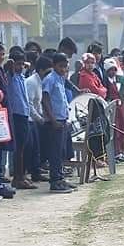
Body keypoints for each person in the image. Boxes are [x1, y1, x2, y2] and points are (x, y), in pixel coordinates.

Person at [42, 52, 75, 193]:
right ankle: (55, 181)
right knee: (55, 152)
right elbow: (45, 99)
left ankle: (60, 178)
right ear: (54, 65)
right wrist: (53, 119)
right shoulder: (50, 79)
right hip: (54, 121)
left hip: (62, 119)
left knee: (61, 151)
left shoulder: (61, 79)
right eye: (61, 66)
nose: (63, 69)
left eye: (65, 67)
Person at [6, 49, 35, 189]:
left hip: (24, 114)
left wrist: (24, 65)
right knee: (19, 148)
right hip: (16, 115)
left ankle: (22, 175)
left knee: (24, 147)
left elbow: (26, 67)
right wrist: (12, 64)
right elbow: (9, 66)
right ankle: (18, 177)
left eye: (22, 64)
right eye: (18, 64)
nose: (20, 67)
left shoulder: (21, 76)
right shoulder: (10, 76)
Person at [26, 54, 52, 181]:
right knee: (31, 148)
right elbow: (29, 104)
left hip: (36, 119)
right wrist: (40, 118)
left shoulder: (42, 81)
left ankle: (36, 172)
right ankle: (31, 172)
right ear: (41, 70)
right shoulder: (31, 82)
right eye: (47, 72)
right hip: (29, 119)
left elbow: (38, 103)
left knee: (37, 148)